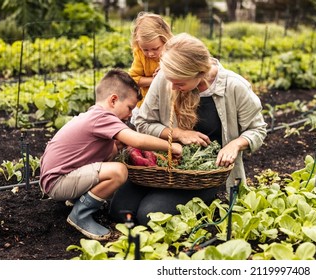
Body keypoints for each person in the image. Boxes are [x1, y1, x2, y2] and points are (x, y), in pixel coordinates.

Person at [109, 33, 267, 226]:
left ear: (199, 73)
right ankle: (158, 193)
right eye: (170, 80)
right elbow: (142, 122)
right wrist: (178, 134)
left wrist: (235, 145)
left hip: (205, 173)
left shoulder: (234, 87)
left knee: (147, 216)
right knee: (120, 211)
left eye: (179, 83)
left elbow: (257, 130)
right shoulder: (167, 78)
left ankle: (206, 198)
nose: (172, 87)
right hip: (164, 164)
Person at [39, 69, 182, 240]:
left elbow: (117, 148)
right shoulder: (103, 117)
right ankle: (80, 215)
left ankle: (78, 198)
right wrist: (170, 146)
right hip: (57, 182)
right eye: (129, 108)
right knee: (119, 171)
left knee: (113, 151)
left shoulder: (94, 114)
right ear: (113, 100)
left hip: (56, 178)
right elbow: (136, 140)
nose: (130, 115)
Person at [128, 12, 173, 123]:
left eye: (155, 48)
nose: (150, 54)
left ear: (165, 39)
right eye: (146, 49)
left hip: (170, 103)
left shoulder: (174, 52)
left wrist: (165, 71)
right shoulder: (139, 54)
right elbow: (133, 79)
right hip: (146, 103)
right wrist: (156, 80)